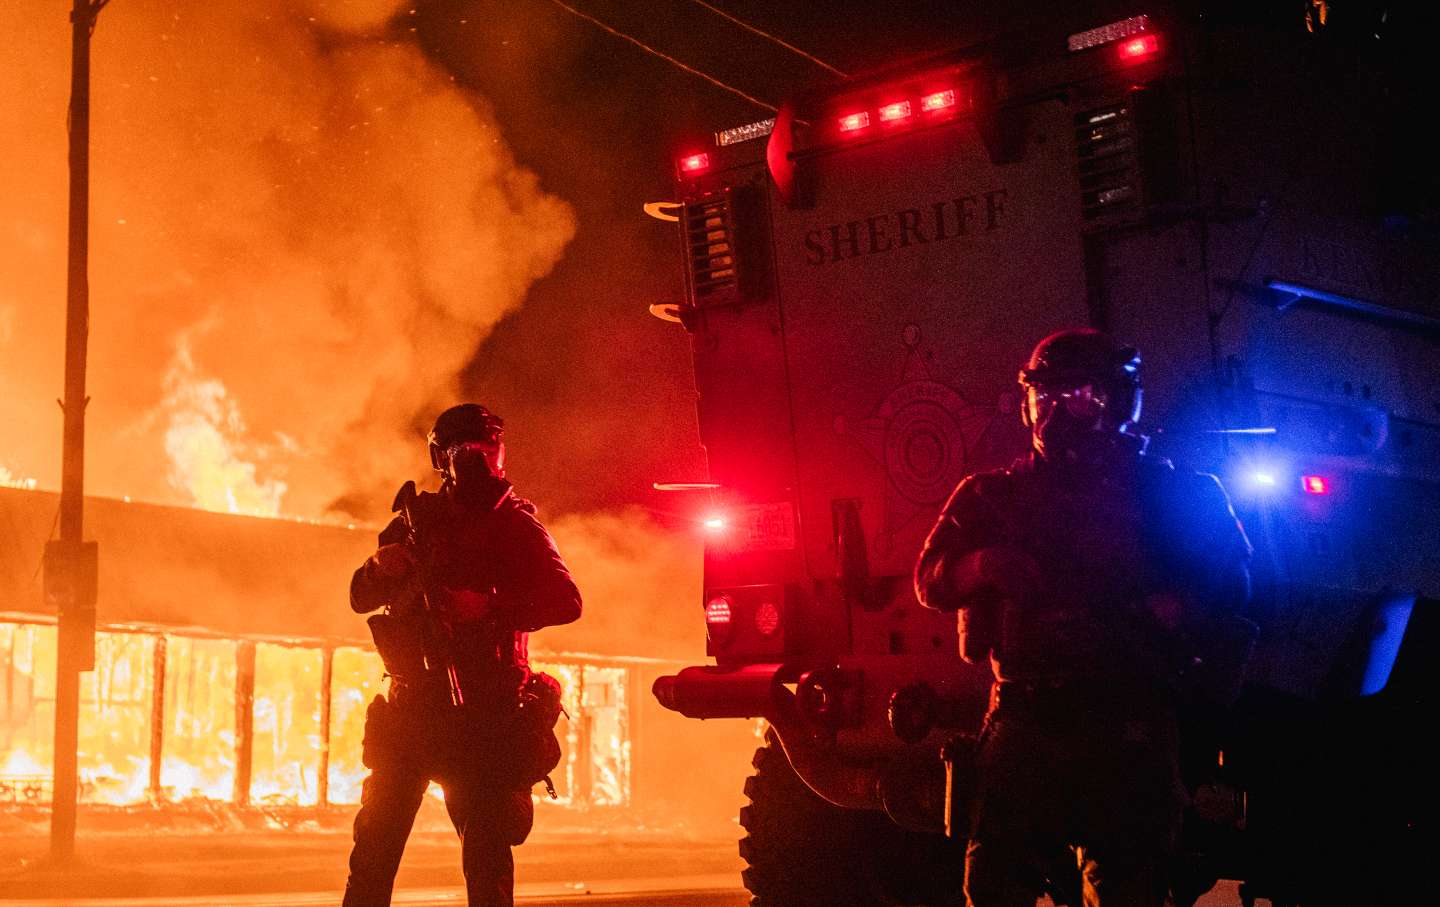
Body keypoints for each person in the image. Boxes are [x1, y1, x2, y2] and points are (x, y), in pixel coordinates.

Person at [914, 329, 1254, 907]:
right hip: (1025, 715)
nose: (1055, 415)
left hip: (1128, 721)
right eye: (1043, 400)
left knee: (1128, 887)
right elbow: (931, 580)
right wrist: (983, 565)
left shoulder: (1172, 492)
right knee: (993, 887)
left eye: (1075, 397)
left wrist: (1177, 608)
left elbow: (1235, 588)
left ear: (1115, 401)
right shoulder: (994, 496)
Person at [342, 403, 582, 907]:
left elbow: (567, 602)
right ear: (440, 457)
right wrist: (380, 568)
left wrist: (490, 606)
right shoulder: (415, 521)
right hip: (412, 710)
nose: (476, 460)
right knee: (374, 851)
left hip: (484, 713)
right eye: (463, 450)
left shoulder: (516, 526)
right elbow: (360, 597)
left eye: (485, 449)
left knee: (486, 858)